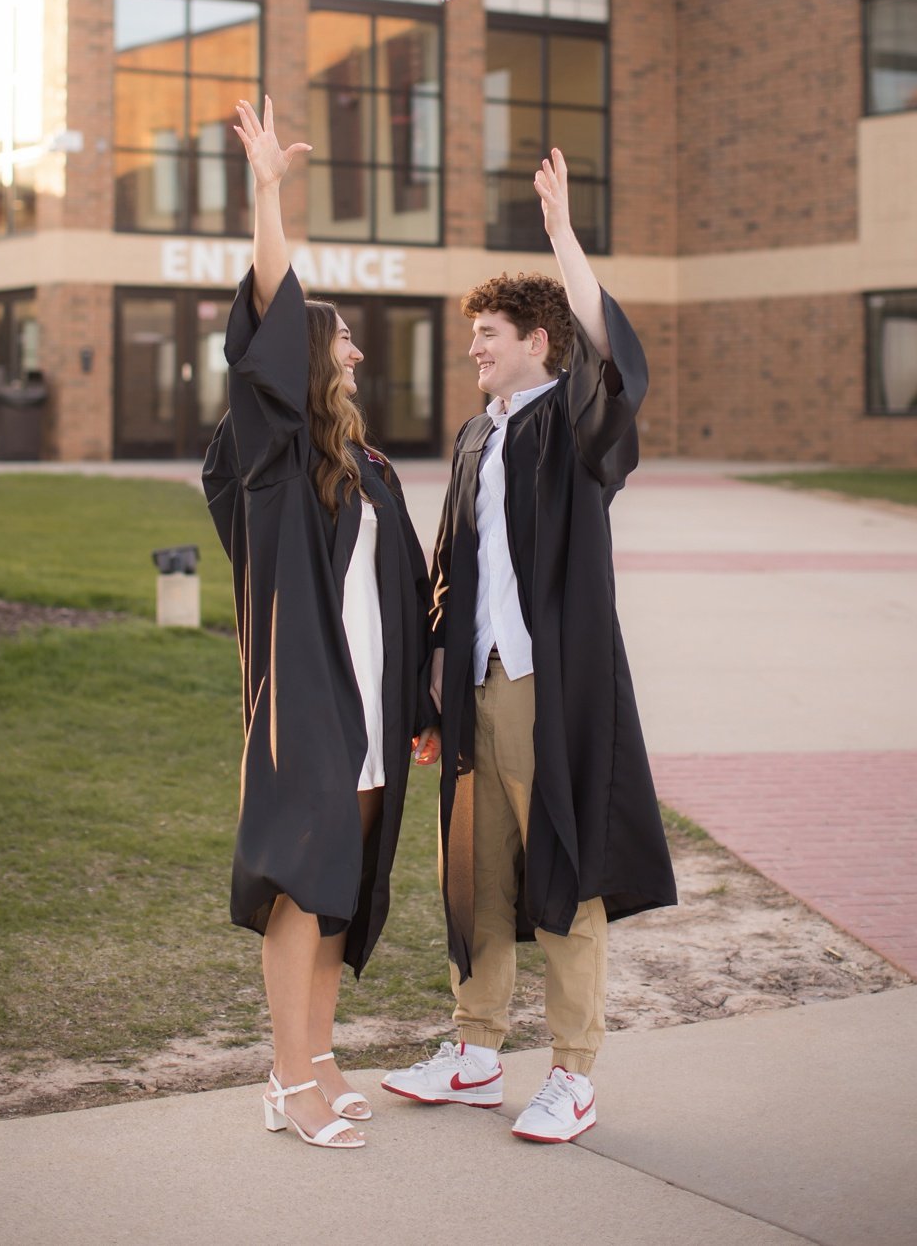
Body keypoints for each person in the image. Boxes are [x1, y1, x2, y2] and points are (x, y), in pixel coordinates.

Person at [380, 147, 675, 1145]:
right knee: (477, 875)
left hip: (552, 690)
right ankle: (472, 1052)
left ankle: (574, 1074)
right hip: (476, 688)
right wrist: (430, 693)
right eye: (471, 338)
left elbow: (616, 364)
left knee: (565, 873)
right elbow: (446, 570)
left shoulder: (575, 428)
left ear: (538, 342)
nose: (474, 350)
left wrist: (561, 238)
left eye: (489, 336)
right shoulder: (475, 437)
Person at [203, 96, 434, 1151]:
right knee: (304, 881)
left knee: (343, 885)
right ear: (302, 358)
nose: (353, 350)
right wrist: (268, 194)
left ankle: (327, 1053)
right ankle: (286, 1077)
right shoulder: (276, 465)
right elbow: (266, 309)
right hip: (308, 701)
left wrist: (425, 696)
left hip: (376, 704)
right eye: (337, 337)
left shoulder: (373, 470)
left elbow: (407, 590)